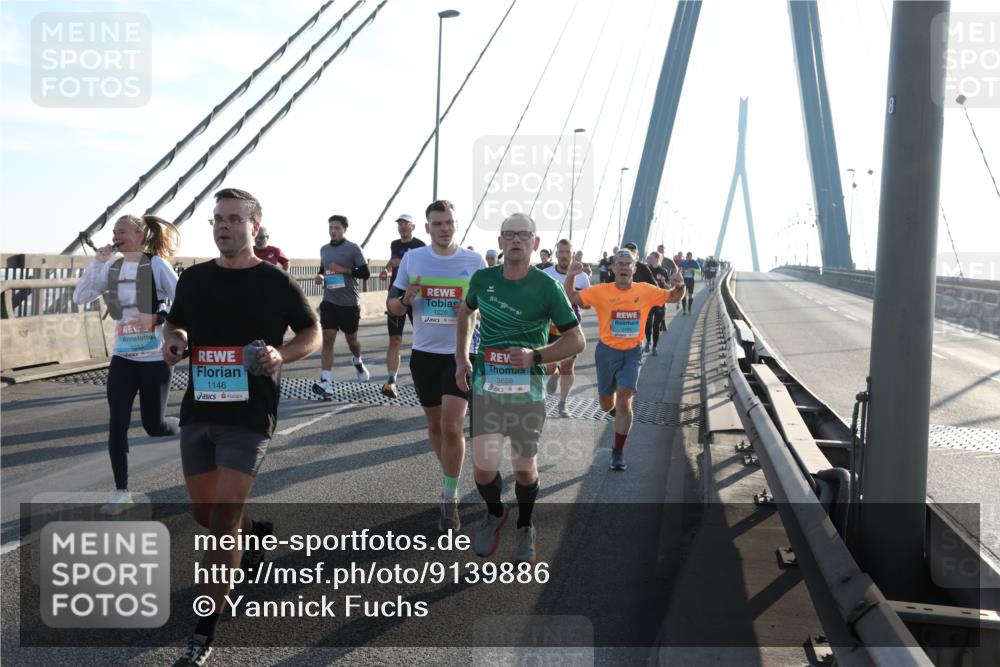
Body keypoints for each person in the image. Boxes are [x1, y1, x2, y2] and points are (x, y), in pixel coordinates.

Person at [162, 188, 321, 665]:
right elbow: (177, 325)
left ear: (255, 226)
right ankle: (256, 535)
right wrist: (177, 342)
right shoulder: (193, 279)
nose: (223, 226)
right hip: (200, 410)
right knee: (205, 515)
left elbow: (310, 332)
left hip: (250, 415)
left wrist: (281, 355)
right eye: (217, 219)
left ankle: (203, 628)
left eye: (233, 218)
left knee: (223, 521)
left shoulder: (274, 282)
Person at [455, 213, 584, 564]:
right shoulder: (482, 279)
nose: (515, 240)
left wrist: (536, 356)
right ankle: (496, 513)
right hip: (486, 386)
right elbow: (465, 313)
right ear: (499, 242)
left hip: (527, 393)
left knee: (524, 467)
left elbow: (577, 340)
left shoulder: (547, 288)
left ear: (535, 243)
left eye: (523, 235)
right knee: (483, 465)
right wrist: (461, 358)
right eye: (508, 234)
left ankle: (526, 525)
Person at [72, 214, 182, 516]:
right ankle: (122, 492)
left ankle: (184, 425)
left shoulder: (156, 266)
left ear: (139, 235)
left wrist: (157, 318)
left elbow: (185, 302)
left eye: (122, 232)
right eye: (113, 232)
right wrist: (96, 263)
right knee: (117, 423)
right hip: (123, 358)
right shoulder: (112, 266)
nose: (116, 237)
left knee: (154, 426)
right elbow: (80, 296)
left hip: (154, 359)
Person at [389, 200, 485, 531]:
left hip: (459, 356)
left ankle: (450, 495)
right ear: (427, 227)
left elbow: (485, 308)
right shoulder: (413, 259)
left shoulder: (474, 262)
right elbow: (394, 307)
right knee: (434, 428)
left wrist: (472, 307)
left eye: (449, 222)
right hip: (424, 356)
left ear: (456, 225)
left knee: (452, 426)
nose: (444, 228)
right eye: (438, 223)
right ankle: (450, 476)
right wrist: (405, 298)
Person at [563, 250, 682, 470]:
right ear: (613, 268)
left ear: (635, 270)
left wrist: (680, 286)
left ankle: (618, 452)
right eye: (620, 263)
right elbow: (572, 298)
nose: (624, 267)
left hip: (632, 352)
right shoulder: (600, 292)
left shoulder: (645, 291)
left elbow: (674, 297)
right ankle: (618, 415)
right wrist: (570, 276)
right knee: (606, 404)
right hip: (606, 352)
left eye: (629, 264)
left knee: (625, 398)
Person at [312, 214, 371, 398]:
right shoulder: (324, 249)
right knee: (328, 340)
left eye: (336, 228)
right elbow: (323, 269)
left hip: (349, 303)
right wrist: (320, 276)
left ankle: (358, 361)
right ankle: (326, 382)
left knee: (351, 341)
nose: (333, 231)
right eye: (330, 227)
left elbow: (365, 273)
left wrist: (344, 270)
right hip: (330, 301)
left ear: (344, 229)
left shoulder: (353, 249)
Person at [379, 214, 425, 399]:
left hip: (416, 295)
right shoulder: (394, 244)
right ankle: (391, 381)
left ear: (413, 226)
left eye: (406, 224)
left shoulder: (421, 245)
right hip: (396, 293)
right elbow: (393, 261)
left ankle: (422, 380)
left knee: (421, 338)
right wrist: (386, 269)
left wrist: (406, 262)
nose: (402, 228)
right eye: (400, 224)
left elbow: (424, 267)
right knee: (395, 339)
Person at [542, 239, 590, 417]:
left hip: (570, 329)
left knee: (568, 368)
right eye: (560, 252)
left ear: (573, 254)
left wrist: (581, 301)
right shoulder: (545, 274)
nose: (563, 256)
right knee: (547, 367)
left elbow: (586, 305)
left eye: (567, 252)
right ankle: (554, 373)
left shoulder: (582, 277)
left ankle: (563, 404)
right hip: (549, 328)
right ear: (556, 254)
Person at [644, 252, 673, 355]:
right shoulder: (647, 270)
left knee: (656, 325)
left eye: (650, 258)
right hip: (648, 302)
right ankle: (648, 341)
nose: (649, 259)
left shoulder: (663, 271)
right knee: (648, 324)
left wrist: (664, 283)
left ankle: (655, 347)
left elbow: (669, 287)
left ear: (656, 258)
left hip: (660, 301)